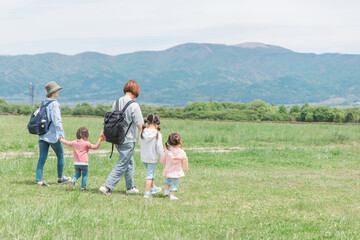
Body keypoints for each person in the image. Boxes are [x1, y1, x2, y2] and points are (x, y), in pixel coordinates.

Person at [99, 80, 144, 195]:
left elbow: (110, 119)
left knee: (128, 162)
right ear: (136, 91)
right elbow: (140, 125)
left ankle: (130, 187)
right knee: (123, 163)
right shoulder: (134, 105)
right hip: (128, 139)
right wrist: (148, 136)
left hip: (116, 137)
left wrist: (103, 132)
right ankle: (107, 186)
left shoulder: (117, 102)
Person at [36, 81, 71, 186]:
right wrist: (61, 135)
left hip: (42, 135)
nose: (58, 92)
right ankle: (60, 178)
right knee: (60, 155)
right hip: (52, 136)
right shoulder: (54, 104)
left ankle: (39, 180)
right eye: (57, 90)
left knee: (42, 157)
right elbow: (57, 121)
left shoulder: (43, 103)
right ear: (54, 92)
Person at [138, 113, 164, 198]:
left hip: (144, 157)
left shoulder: (142, 132)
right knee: (149, 175)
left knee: (150, 172)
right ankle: (147, 192)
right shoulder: (157, 134)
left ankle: (153, 188)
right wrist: (162, 157)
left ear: (147, 122)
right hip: (152, 158)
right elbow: (159, 148)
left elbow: (139, 143)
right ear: (157, 123)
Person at [160, 133, 188, 200]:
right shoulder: (181, 152)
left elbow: (163, 159)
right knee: (174, 183)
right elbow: (185, 160)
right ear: (179, 142)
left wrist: (163, 162)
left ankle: (166, 192)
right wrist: (185, 167)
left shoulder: (168, 150)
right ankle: (172, 196)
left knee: (167, 181)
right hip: (176, 171)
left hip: (168, 170)